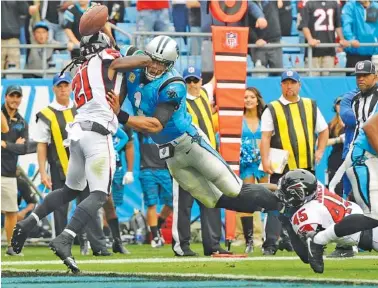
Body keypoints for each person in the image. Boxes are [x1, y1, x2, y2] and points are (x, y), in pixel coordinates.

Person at [106, 36, 283, 224]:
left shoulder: (173, 84)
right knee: (213, 200)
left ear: (170, 64)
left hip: (190, 144)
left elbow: (156, 124)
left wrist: (121, 115)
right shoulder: (135, 59)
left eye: (162, 63)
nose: (155, 66)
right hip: (169, 154)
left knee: (234, 189)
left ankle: (283, 194)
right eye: (153, 60)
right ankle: (278, 205)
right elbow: (115, 48)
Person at [11, 32, 124, 273]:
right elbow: (120, 60)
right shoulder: (103, 62)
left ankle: (29, 223)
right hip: (96, 133)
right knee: (100, 195)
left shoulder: (82, 69)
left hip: (77, 135)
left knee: (69, 192)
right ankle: (66, 238)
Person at [306, 62, 378, 273]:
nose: (360, 78)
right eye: (358, 75)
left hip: (369, 156)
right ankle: (318, 240)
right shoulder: (353, 98)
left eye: (365, 75)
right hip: (363, 158)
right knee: (372, 214)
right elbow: (369, 126)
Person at [33, 72, 111, 256]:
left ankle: (98, 246)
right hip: (60, 168)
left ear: (71, 87)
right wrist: (43, 172)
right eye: (59, 85)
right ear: (54, 88)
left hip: (84, 166)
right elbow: (42, 145)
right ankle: (62, 246)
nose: (62, 89)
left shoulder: (81, 111)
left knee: (89, 206)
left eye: (65, 85)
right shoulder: (46, 114)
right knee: (60, 209)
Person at [260, 70, 329, 255]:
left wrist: (320, 150)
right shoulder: (272, 107)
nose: (289, 86)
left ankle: (305, 240)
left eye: (292, 82)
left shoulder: (310, 105)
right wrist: (265, 160)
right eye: (285, 83)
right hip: (281, 167)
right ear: (281, 85)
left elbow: (323, 130)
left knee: (307, 205)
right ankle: (270, 244)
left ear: (299, 84)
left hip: (305, 167)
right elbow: (265, 137)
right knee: (275, 203)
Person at [172, 66, 230, 257]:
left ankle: (212, 244)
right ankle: (182, 244)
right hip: (186, 159)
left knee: (212, 201)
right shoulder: (178, 103)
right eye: (188, 81)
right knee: (184, 204)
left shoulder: (205, 94)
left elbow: (218, 75)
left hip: (208, 158)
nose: (191, 85)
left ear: (200, 82)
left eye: (195, 81)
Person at [276, 169, 378, 274]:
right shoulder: (316, 186)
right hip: (363, 215)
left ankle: (338, 245)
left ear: (299, 194)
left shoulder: (308, 212)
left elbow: (306, 256)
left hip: (369, 235)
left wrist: (289, 226)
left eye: (287, 193)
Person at [239, 87, 268, 253]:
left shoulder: (265, 119)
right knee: (247, 201)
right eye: (245, 97)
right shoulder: (238, 119)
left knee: (266, 199)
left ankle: (267, 238)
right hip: (245, 165)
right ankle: (249, 241)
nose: (248, 100)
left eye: (251, 97)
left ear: (257, 99)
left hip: (263, 164)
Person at [1, 86, 29, 256]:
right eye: (12, 96)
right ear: (6, 97)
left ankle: (11, 247)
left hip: (9, 172)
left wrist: (5, 145)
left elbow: (24, 148)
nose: (15, 99)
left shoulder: (22, 122)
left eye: (18, 97)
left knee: (11, 211)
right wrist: (14, 145)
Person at [139, 134, 172, 248]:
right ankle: (155, 236)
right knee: (151, 204)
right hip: (147, 169)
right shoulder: (143, 128)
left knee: (171, 202)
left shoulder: (167, 127)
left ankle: (156, 228)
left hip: (165, 169)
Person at [298, 0, 348, 76]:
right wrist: (310, 39)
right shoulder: (308, 3)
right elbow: (304, 25)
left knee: (328, 82)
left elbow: (338, 25)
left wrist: (342, 39)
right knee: (313, 81)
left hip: (329, 49)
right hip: (313, 51)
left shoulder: (334, 3)